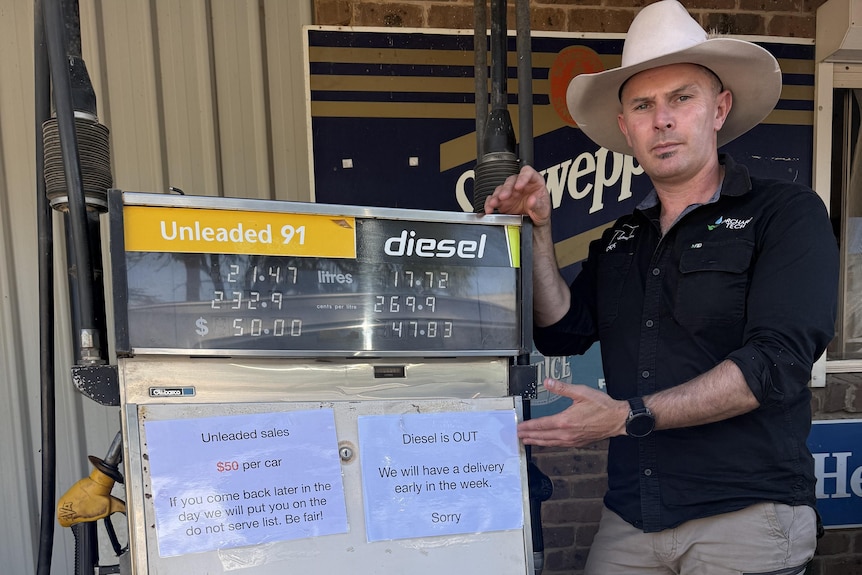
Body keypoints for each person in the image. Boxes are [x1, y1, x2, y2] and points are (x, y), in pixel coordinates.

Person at [484, 1, 838, 573]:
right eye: (643, 106)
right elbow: (563, 330)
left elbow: (775, 363)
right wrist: (538, 234)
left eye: (682, 98)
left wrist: (627, 416)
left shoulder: (785, 213)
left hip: (744, 515)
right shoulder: (624, 237)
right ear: (625, 128)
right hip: (634, 516)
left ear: (719, 109)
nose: (662, 120)